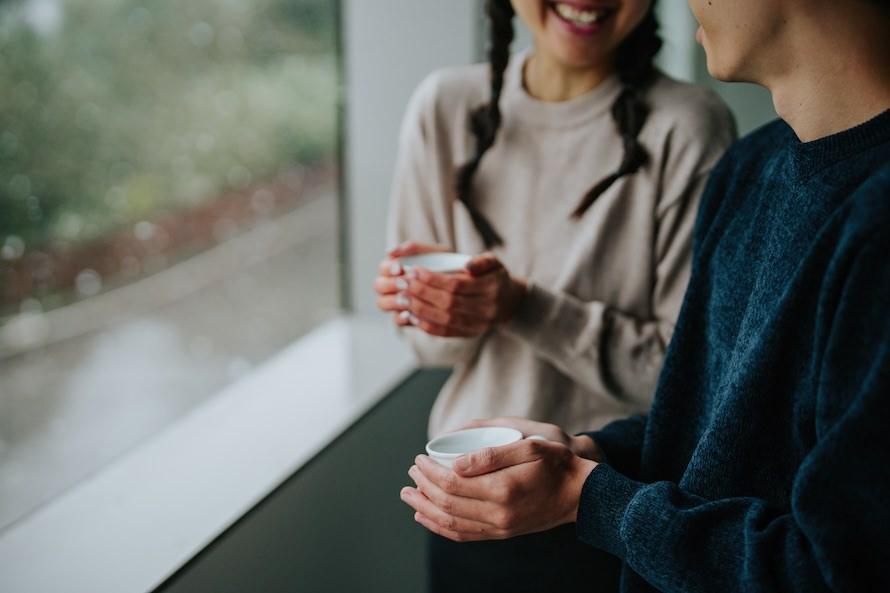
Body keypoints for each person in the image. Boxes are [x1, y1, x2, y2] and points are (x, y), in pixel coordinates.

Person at [399, 0, 890, 591]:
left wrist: (592, 498)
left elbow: (836, 571)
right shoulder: (749, 169)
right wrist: (592, 454)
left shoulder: (874, 223)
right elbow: (707, 431)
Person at [374, 0, 735, 590]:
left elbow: (686, 384)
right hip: (465, 495)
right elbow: (429, 352)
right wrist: (431, 308)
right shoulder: (445, 108)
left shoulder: (689, 126)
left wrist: (520, 305)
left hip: (611, 501)